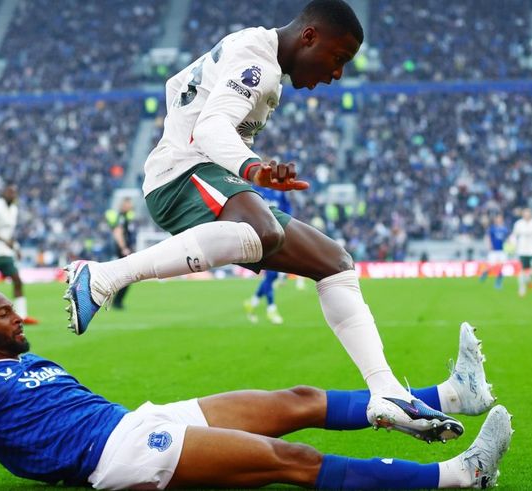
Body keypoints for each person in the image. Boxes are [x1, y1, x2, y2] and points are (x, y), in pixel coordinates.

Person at [64, 0, 459, 441]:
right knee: (263, 231)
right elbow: (209, 129)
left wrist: (250, 170)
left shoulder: (257, 54)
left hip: (209, 175)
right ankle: (104, 276)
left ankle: (385, 391)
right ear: (309, 36)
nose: (337, 73)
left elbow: (185, 93)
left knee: (335, 262)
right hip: (180, 175)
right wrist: (253, 168)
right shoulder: (259, 62)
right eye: (338, 58)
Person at [0, 289, 508, 491]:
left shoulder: (36, 361)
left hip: (136, 420)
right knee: (292, 459)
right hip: (119, 455)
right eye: (4, 314)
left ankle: (454, 395)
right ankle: (459, 475)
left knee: (296, 399)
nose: (18, 317)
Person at [0, 183, 38, 324]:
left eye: (14, 192)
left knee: (17, 281)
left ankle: (22, 316)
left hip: (5, 253)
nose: (12, 194)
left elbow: (9, 233)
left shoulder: (14, 209)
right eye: (10, 191)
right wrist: (5, 241)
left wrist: (16, 248)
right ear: (4, 192)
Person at [244, 186, 293, 324]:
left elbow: (287, 210)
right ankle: (271, 309)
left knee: (272, 275)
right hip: (261, 236)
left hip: (278, 234)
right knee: (271, 274)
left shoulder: (280, 191)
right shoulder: (254, 189)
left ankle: (253, 302)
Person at [105, 197, 137, 310]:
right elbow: (118, 232)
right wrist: (124, 248)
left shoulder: (126, 217)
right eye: (129, 204)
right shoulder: (122, 217)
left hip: (126, 250)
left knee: (126, 277)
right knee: (126, 277)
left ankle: (116, 301)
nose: (131, 206)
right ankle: (116, 302)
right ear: (124, 205)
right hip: (123, 251)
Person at [509, 207, 532, 297]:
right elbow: (514, 235)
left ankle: (528, 280)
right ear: (523, 214)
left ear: (530, 214)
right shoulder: (518, 224)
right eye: (525, 213)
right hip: (522, 250)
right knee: (522, 269)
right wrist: (513, 245)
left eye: (528, 213)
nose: (527, 215)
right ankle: (522, 288)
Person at [479, 214, 509, 289]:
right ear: (495, 220)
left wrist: (508, 246)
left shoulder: (505, 229)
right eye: (498, 218)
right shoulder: (492, 229)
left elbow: (507, 239)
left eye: (500, 218)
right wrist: (489, 245)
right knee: (491, 266)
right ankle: (485, 273)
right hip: (493, 250)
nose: (499, 220)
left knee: (501, 267)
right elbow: (488, 237)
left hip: (502, 250)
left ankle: (498, 282)